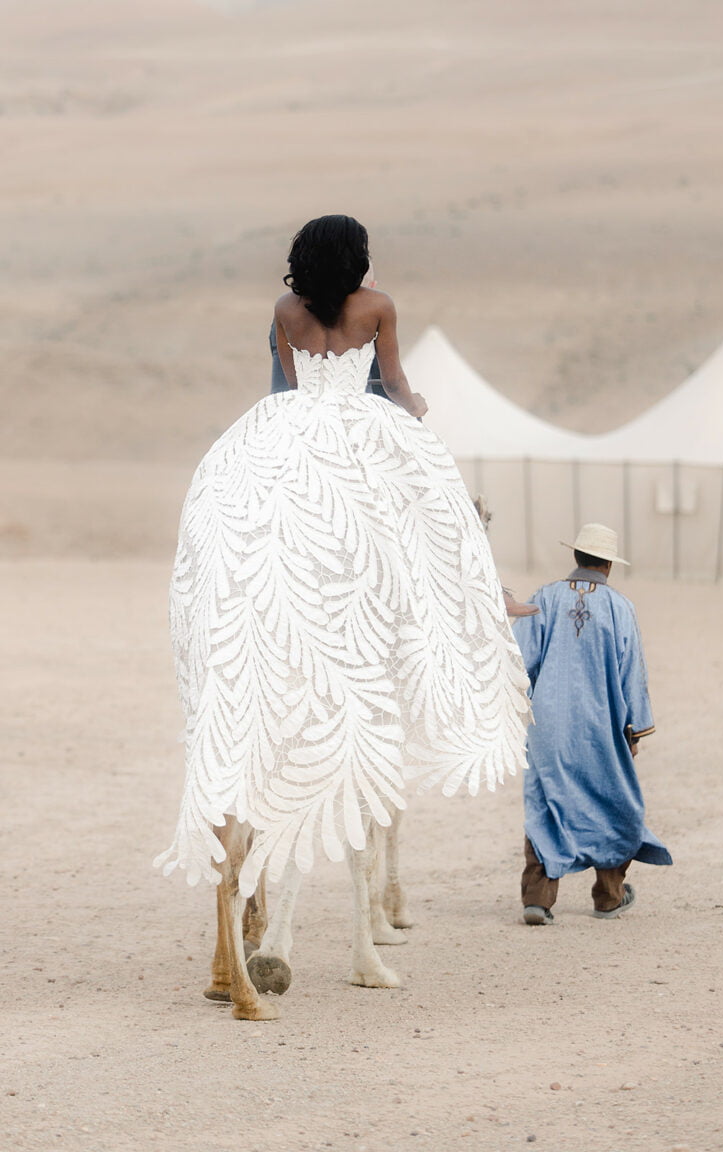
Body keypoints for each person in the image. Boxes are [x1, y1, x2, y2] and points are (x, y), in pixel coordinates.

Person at [156, 214, 532, 895]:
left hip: (289, 426)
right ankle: (482, 595)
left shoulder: (285, 308)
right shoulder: (378, 306)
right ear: (356, 257)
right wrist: (415, 411)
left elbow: (285, 386)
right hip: (361, 422)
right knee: (431, 504)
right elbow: (392, 382)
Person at [512, 523, 672, 925]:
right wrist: (635, 729)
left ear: (576, 556)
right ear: (609, 565)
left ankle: (538, 898)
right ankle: (608, 896)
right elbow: (632, 672)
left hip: (548, 725)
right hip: (603, 725)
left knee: (547, 801)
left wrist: (520, 712)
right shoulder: (620, 607)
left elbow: (520, 662)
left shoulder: (543, 598)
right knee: (614, 801)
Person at [269, 263, 386, 397]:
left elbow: (282, 388)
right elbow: (389, 385)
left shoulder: (288, 312)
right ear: (372, 288)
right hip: (355, 404)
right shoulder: (373, 315)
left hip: (300, 403)